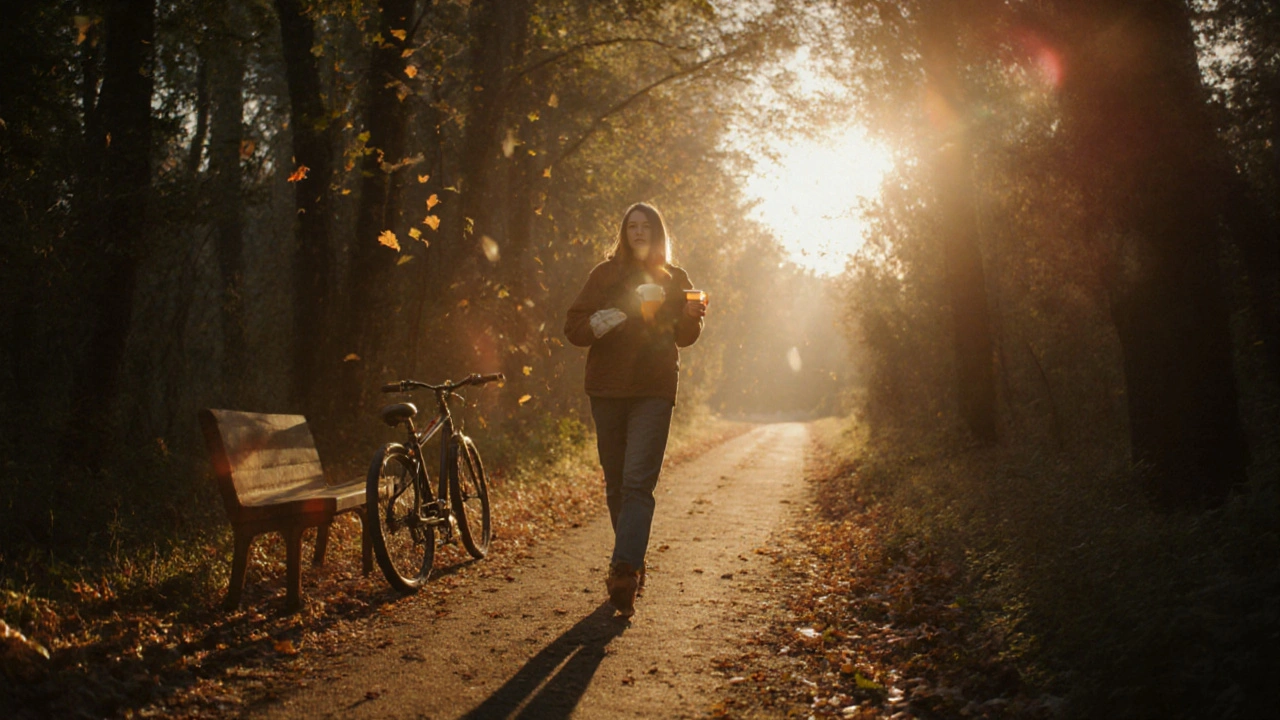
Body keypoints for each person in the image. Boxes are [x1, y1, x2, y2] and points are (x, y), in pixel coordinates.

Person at [563, 202, 707, 617]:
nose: (639, 232)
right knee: (615, 484)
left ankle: (623, 571)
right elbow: (573, 327)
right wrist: (605, 320)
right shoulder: (604, 275)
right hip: (607, 389)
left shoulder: (676, 279)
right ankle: (632, 560)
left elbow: (684, 337)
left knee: (637, 483)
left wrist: (692, 316)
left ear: (658, 233)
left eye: (646, 226)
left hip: (653, 389)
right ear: (624, 233)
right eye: (632, 226)